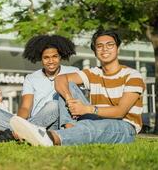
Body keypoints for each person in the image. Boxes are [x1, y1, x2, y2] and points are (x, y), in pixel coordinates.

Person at [10, 30, 145, 146]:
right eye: (100, 46)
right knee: (67, 85)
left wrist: (87, 109)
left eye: (110, 45)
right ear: (95, 51)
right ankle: (68, 128)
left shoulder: (132, 75)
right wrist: (69, 99)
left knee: (91, 127)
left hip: (123, 126)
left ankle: (50, 138)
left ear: (118, 49)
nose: (105, 49)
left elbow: (120, 112)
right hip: (95, 119)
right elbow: (60, 79)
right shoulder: (93, 73)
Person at [0, 34, 79, 141]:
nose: (51, 61)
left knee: (54, 104)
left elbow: (81, 98)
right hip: (37, 121)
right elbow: (25, 107)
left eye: (54, 56)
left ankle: (18, 134)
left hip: (57, 123)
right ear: (40, 59)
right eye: (46, 57)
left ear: (60, 56)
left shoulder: (73, 72)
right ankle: (25, 132)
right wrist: (19, 123)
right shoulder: (31, 78)